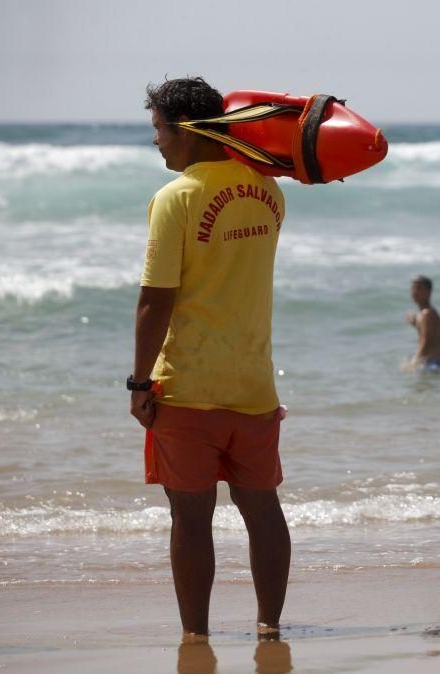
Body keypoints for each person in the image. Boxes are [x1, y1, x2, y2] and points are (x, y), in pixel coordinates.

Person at [130, 77, 291, 642]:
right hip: (253, 387)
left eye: (159, 128)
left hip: (189, 388)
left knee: (191, 519)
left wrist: (138, 382)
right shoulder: (270, 194)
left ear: (187, 131)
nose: (156, 141)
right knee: (262, 511)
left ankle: (196, 637)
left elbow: (156, 299)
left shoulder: (175, 199)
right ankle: (269, 627)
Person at [406, 275, 440, 371]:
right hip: (437, 360)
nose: (415, 292)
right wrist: (415, 323)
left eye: (419, 289)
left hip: (438, 362)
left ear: (429, 292)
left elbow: (426, 341)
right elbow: (429, 333)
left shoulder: (427, 314)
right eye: (413, 289)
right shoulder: (424, 314)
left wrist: (415, 361)